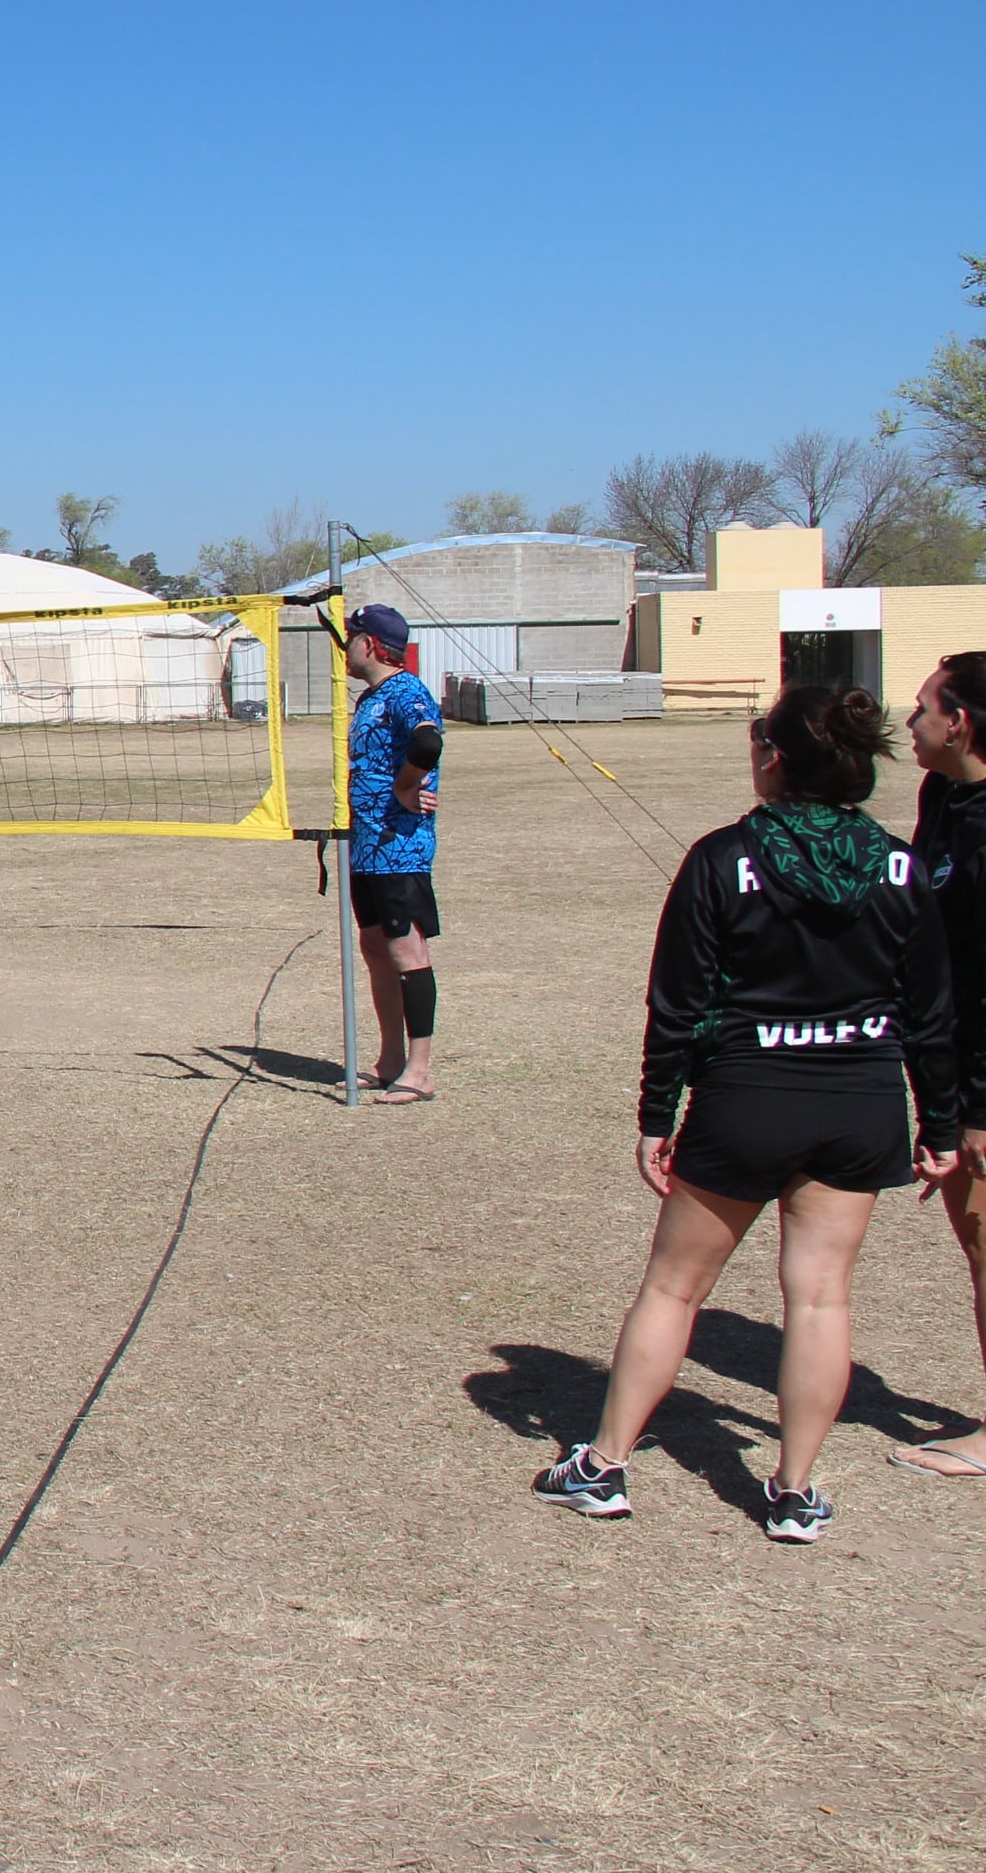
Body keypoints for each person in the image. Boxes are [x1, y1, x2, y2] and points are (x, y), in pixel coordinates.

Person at [532, 686, 955, 1544]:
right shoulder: (902, 865)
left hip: (745, 1102)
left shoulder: (721, 859)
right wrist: (938, 1124)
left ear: (776, 758)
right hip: (857, 1104)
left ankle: (605, 1465)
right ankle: (794, 1492)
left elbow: (675, 1003)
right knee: (820, 1301)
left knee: (673, 1288)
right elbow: (931, 1016)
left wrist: (658, 1114)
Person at [897, 653, 986, 1478]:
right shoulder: (941, 798)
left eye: (924, 706)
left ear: (959, 721)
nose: (910, 719)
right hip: (950, 1066)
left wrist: (967, 1115)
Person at [344, 602, 445, 1102]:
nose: (346, 648)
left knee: (407, 951)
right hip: (365, 848)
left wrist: (408, 787)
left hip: (398, 849)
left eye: (351, 637)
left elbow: (427, 744)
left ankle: (419, 1071)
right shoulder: (370, 698)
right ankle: (388, 1061)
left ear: (369, 644)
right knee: (374, 949)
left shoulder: (407, 691)